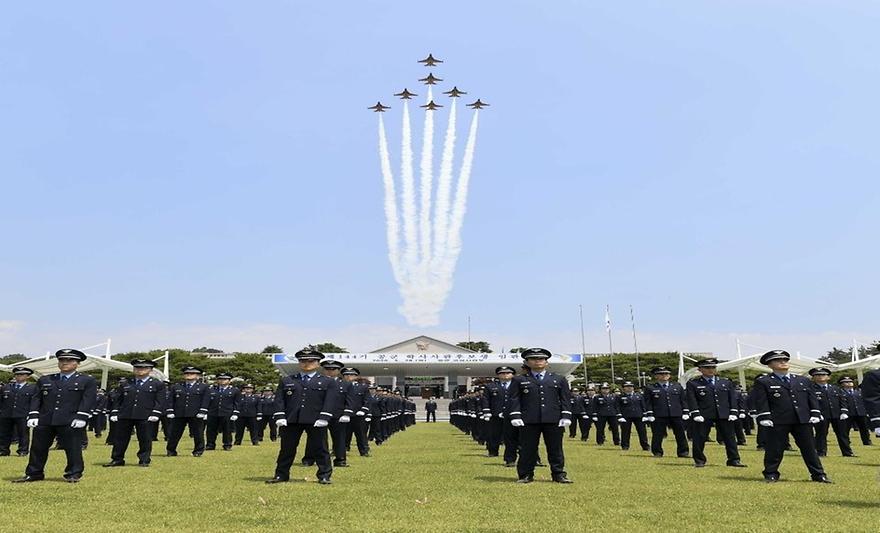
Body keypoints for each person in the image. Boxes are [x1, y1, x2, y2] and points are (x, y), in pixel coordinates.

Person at [14, 349, 97, 483]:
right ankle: (34, 473)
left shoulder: (87, 380)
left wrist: (82, 416)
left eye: (69, 360)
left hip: (70, 420)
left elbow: (88, 400)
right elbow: (37, 398)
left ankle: (73, 473)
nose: (65, 363)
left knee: (73, 448)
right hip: (46, 419)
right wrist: (33, 414)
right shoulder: (46, 379)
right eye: (62, 360)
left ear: (78, 363)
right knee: (38, 448)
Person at [751, 350, 830, 483]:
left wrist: (815, 413)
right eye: (778, 360)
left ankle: (818, 474)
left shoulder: (803, 380)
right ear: (769, 365)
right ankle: (771, 473)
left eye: (785, 360)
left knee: (810, 448)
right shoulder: (764, 381)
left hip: (802, 419)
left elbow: (812, 399)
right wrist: (764, 416)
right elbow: (761, 401)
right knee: (775, 449)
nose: (783, 362)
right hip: (778, 420)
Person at [266, 347, 339, 484]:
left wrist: (324, 417)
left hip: (316, 419)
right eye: (303, 361)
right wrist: (280, 416)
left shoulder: (327, 381)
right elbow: (279, 400)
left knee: (320, 448)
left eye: (311, 361)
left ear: (318, 363)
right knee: (286, 449)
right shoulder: (288, 380)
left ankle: (324, 475)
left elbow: (330, 401)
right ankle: (281, 475)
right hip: (292, 419)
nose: (306, 364)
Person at [507, 347, 573, 484]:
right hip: (529, 420)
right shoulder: (519, 380)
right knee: (527, 449)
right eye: (533, 359)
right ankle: (525, 474)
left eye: (541, 358)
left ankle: (558, 474)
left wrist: (566, 415)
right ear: (527, 362)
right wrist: (515, 416)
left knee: (555, 448)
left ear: (547, 362)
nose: (538, 361)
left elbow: (565, 399)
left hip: (553, 419)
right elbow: (514, 399)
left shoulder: (558, 379)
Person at [104, 358, 166, 467]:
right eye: (137, 367)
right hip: (126, 414)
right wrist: (114, 412)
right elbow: (118, 399)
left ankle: (144, 460)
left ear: (151, 370)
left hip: (145, 415)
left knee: (145, 439)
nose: (140, 370)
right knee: (120, 439)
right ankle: (117, 459)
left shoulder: (157, 384)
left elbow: (160, 401)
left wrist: (155, 413)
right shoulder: (126, 383)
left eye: (144, 368)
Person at [685, 358, 746, 468]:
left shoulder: (725, 382)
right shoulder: (693, 383)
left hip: (724, 413)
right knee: (700, 438)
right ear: (700, 369)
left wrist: (733, 412)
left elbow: (732, 398)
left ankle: (734, 460)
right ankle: (699, 460)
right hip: (704, 414)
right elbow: (691, 399)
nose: (711, 369)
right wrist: (695, 413)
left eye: (713, 367)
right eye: (707, 367)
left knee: (730, 438)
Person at [643, 366, 690, 458]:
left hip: (676, 414)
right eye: (661, 374)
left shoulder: (677, 386)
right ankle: (657, 452)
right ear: (656, 376)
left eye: (666, 374)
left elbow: (683, 400)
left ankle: (683, 452)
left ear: (669, 375)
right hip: (659, 414)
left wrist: (685, 411)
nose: (664, 375)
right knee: (658, 434)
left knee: (680, 434)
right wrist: (649, 413)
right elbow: (648, 402)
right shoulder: (650, 387)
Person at [165, 365, 210, 457]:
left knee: (198, 433)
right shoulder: (176, 386)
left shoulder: (203, 387)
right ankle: (171, 450)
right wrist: (170, 411)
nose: (189, 375)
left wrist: (203, 411)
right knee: (174, 433)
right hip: (179, 413)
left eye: (192, 373)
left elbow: (206, 400)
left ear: (197, 376)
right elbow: (170, 400)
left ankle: (198, 451)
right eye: (187, 373)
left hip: (196, 413)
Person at [808, 367, 854, 457]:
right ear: (813, 377)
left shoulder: (835, 388)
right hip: (822, 415)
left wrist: (844, 411)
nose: (821, 376)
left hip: (837, 414)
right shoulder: (811, 389)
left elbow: (842, 400)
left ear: (828, 377)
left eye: (823, 375)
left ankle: (847, 452)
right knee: (821, 434)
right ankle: (821, 452)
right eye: (817, 375)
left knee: (842, 434)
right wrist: (816, 414)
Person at [0, 367, 37, 457]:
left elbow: (34, 402)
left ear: (28, 376)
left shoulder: (32, 388)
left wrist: (32, 414)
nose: (18, 376)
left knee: (23, 434)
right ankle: (3, 450)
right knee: (4, 433)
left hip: (23, 414)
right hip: (6, 414)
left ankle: (23, 450)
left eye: (21, 374)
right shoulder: (6, 387)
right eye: (17, 374)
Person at [205, 372, 240, 451]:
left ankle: (227, 445)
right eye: (220, 379)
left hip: (227, 413)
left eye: (225, 379)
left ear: (229, 381)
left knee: (227, 430)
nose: (222, 381)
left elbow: (237, 402)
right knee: (211, 430)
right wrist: (205, 411)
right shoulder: (211, 389)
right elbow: (207, 401)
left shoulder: (235, 390)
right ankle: (210, 445)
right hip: (213, 412)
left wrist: (235, 413)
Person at [341, 368, 370, 457]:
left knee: (361, 434)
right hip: (343, 414)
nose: (348, 376)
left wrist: (363, 410)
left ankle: (364, 451)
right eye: (346, 375)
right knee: (343, 434)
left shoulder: (362, 387)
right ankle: (341, 450)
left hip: (358, 415)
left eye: (351, 375)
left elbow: (367, 400)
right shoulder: (339, 386)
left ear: (356, 376)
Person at [616, 381, 649, 451]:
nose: (629, 388)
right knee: (625, 432)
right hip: (626, 416)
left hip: (639, 416)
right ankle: (625, 446)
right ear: (624, 388)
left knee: (642, 432)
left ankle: (645, 446)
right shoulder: (620, 397)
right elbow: (617, 407)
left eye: (631, 386)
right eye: (627, 386)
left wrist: (645, 415)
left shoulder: (639, 396)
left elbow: (643, 406)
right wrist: (619, 416)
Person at [838, 376, 871, 445]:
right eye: (846, 382)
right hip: (848, 413)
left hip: (860, 412)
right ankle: (846, 442)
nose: (849, 383)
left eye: (850, 382)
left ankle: (867, 441)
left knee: (864, 428)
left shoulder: (859, 391)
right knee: (846, 429)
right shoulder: (840, 393)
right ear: (842, 384)